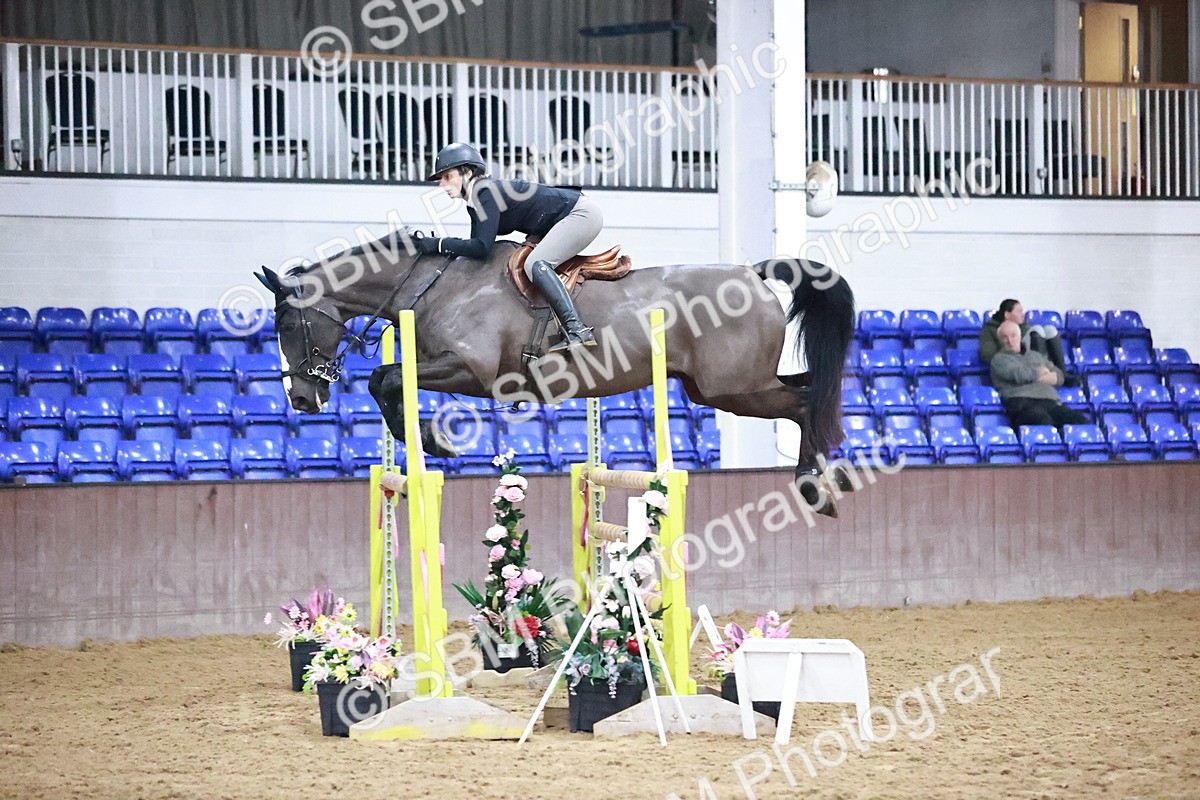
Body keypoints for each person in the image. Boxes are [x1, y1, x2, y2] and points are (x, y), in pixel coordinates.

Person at [415, 142, 599, 353]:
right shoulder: (476, 200)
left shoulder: (484, 192)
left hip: (580, 214)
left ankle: (577, 329)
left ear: (467, 172)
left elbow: (481, 247)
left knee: (535, 265)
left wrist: (438, 244)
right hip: (563, 217)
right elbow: (477, 251)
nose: (442, 185)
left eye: (448, 177)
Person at [990, 321, 1088, 429]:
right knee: (1044, 422)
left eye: (1013, 335)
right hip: (1021, 402)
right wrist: (1041, 372)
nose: (1010, 341)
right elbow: (1020, 375)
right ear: (1000, 340)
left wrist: (1054, 378)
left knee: (1081, 421)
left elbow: (1059, 375)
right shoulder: (999, 359)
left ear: (1020, 336)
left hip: (1050, 401)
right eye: (1005, 337)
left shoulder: (1036, 355)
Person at [978, 298, 1077, 386]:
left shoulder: (1024, 326)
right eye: (1019, 312)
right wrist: (1008, 350)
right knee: (1036, 331)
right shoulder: (990, 329)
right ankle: (1041, 373)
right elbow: (987, 354)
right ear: (1007, 315)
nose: (1023, 314)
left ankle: (1062, 374)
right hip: (1012, 362)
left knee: (1050, 330)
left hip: (1028, 357)